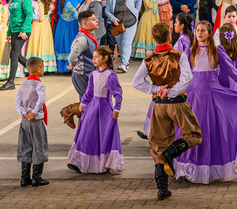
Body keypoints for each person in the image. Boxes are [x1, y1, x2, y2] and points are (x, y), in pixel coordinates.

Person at [172, 20, 237, 184]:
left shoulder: (217, 50)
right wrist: (171, 90)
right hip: (193, 96)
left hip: (212, 96)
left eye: (203, 30)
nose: (199, 33)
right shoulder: (190, 51)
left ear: (209, 33)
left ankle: (211, 169)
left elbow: (232, 71)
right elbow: (183, 75)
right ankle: (190, 167)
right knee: (190, 130)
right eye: (197, 30)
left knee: (211, 131)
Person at [134, 22, 203, 200]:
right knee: (193, 134)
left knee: (158, 145)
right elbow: (187, 76)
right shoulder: (178, 56)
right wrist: (171, 91)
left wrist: (156, 89)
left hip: (158, 105)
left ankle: (162, 189)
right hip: (177, 103)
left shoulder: (148, 60)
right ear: (169, 35)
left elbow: (137, 82)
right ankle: (170, 153)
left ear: (153, 38)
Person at [67, 45, 124, 174]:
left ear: (105, 58)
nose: (94, 59)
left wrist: (117, 108)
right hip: (92, 108)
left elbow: (118, 93)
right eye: (93, 57)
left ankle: (101, 164)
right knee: (86, 132)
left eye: (96, 57)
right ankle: (80, 162)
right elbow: (90, 91)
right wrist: (83, 102)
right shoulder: (93, 74)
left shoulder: (111, 75)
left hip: (104, 110)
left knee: (103, 136)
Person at [15, 56, 51, 188]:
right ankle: (37, 177)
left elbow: (17, 102)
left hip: (24, 121)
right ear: (39, 69)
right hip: (35, 120)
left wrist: (24, 113)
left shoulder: (23, 84)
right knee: (39, 146)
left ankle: (24, 178)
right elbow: (41, 100)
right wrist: (34, 113)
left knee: (25, 146)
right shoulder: (40, 85)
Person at [1, 0, 33, 90]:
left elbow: (29, 15)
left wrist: (23, 30)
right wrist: (9, 32)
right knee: (18, 55)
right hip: (14, 30)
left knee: (14, 54)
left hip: (22, 30)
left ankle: (10, 82)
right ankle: (34, 70)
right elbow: (12, 17)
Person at [104, 0, 142, 73]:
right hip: (117, 25)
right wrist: (113, 19)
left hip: (130, 22)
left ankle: (125, 64)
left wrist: (136, 11)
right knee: (121, 44)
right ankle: (125, 62)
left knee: (126, 43)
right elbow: (107, 10)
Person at [69, 10, 101, 98]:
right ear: (85, 23)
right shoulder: (82, 39)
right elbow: (72, 56)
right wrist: (73, 65)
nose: (97, 21)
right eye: (93, 19)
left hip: (89, 73)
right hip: (82, 75)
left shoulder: (91, 35)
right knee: (88, 101)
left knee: (90, 100)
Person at [54, 0, 84, 73]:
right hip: (63, 24)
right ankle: (63, 67)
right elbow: (59, 11)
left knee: (72, 44)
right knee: (62, 44)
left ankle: (73, 66)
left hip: (74, 24)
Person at [26, 0, 57, 74]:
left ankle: (44, 67)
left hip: (44, 26)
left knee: (44, 45)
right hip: (40, 26)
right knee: (39, 44)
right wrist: (49, 11)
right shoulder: (39, 4)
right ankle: (36, 66)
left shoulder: (42, 3)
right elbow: (40, 17)